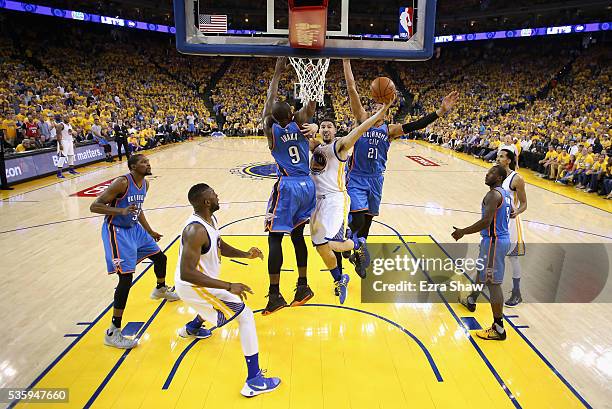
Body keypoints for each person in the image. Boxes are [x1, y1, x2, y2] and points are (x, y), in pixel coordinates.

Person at [342, 60, 458, 273]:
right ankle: (350, 236)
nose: (378, 108)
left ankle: (358, 251)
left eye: (382, 106)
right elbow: (351, 88)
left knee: (367, 222)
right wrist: (346, 60)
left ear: (386, 109)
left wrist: (440, 111)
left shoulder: (391, 130)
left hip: (376, 179)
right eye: (376, 105)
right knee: (358, 217)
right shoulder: (361, 120)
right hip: (357, 177)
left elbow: (418, 125)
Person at [175, 183, 281, 397]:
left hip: (202, 283)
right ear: (206, 202)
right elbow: (187, 273)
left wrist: (245, 254)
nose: (217, 195)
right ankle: (254, 380)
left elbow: (219, 245)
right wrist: (229, 286)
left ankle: (193, 328)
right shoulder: (195, 230)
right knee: (246, 316)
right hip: (193, 286)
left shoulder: (210, 220)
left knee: (217, 302)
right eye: (214, 194)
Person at [303, 99, 394, 304]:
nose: (326, 129)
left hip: (336, 200)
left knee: (333, 243)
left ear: (335, 131)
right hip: (317, 203)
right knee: (320, 246)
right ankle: (339, 279)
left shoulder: (341, 146)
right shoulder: (316, 147)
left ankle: (357, 244)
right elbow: (299, 131)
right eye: (323, 126)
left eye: (329, 126)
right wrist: (314, 126)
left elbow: (360, 129)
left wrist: (380, 113)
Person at [90, 154, 179, 349]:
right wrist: (120, 211)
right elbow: (94, 206)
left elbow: (138, 210)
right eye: (143, 162)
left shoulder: (145, 184)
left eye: (148, 162)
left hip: (136, 229)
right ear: (132, 167)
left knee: (160, 258)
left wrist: (149, 230)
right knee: (126, 278)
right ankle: (113, 331)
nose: (148, 164)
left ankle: (160, 289)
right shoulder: (121, 183)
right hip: (118, 231)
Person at [261, 57, 317, 315]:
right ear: (292, 114)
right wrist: (309, 75)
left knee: (274, 237)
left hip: (288, 187)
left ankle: (274, 295)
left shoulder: (270, 129)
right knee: (297, 236)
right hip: (307, 185)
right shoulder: (303, 122)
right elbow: (312, 102)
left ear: (273, 117)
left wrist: (277, 71)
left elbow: (269, 102)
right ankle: (303, 285)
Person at [453, 165, 512, 341]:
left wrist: (463, 231)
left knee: (493, 283)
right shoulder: (505, 193)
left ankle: (498, 328)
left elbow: (486, 222)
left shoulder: (493, 194)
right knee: (482, 271)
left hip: (494, 241)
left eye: (492, 173)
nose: (487, 175)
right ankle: (472, 299)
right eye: (487, 172)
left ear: (500, 177)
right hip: (496, 240)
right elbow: (511, 212)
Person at [496, 149, 528, 307]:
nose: (498, 158)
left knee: (512, 257)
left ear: (509, 160)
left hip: (511, 222)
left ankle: (517, 293)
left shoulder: (517, 179)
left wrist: (517, 211)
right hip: (497, 220)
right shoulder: (496, 175)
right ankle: (492, 287)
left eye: (501, 156)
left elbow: (524, 204)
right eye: (498, 156)